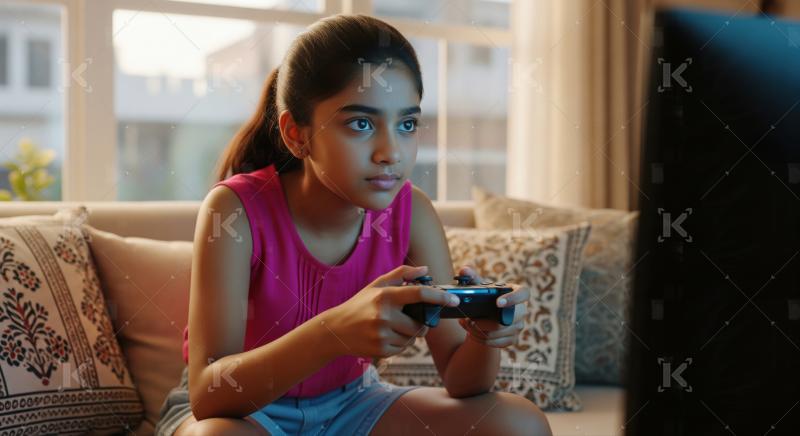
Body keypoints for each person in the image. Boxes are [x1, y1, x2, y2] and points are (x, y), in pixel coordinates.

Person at [155, 14, 552, 436]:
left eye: (407, 124)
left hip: (352, 401)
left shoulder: (412, 212)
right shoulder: (234, 210)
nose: (390, 152)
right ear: (296, 134)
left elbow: (460, 379)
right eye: (361, 124)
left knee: (518, 423)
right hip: (243, 412)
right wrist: (334, 333)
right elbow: (210, 393)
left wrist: (485, 337)